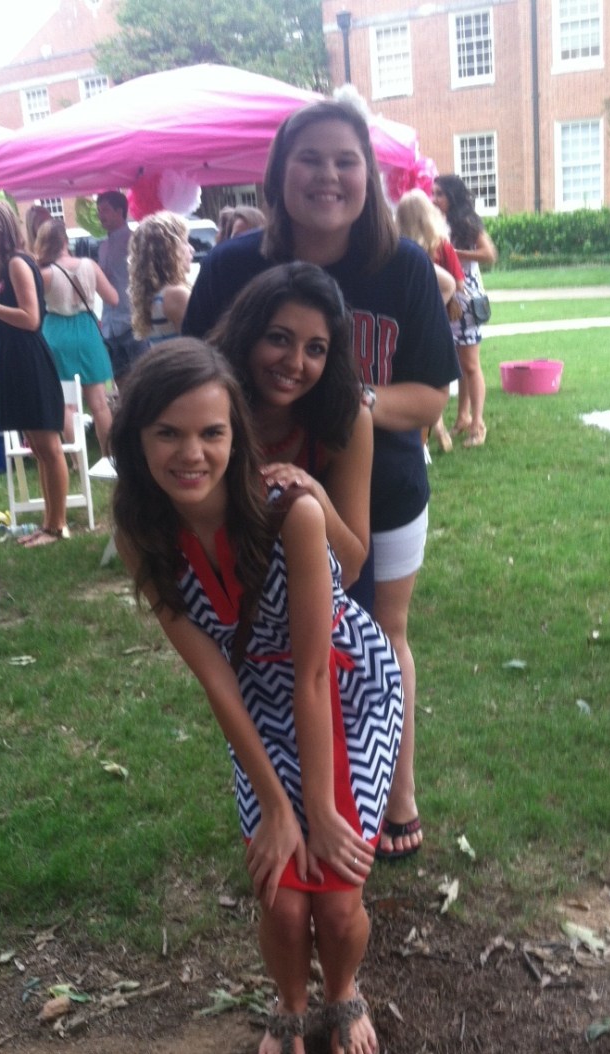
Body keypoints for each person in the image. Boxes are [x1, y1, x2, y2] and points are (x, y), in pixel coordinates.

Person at [111, 338, 403, 1054]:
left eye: (211, 432)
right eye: (167, 433)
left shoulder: (290, 514)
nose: (191, 453)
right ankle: (291, 1004)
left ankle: (344, 991)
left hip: (346, 692)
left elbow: (313, 673)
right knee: (280, 897)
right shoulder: (140, 532)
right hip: (258, 701)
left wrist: (316, 808)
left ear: (237, 435)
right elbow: (216, 678)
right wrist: (276, 807)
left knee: (335, 898)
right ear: (135, 438)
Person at [184, 98, 458, 862]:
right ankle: (294, 796)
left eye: (346, 161)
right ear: (278, 174)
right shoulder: (233, 266)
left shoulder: (403, 267)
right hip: (251, 489)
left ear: (369, 176)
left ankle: (394, 789)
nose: (327, 176)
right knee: (277, 647)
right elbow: (190, 376)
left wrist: (344, 403)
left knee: (379, 634)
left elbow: (430, 396)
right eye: (309, 159)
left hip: (378, 481)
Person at [210, 261, 371, 589]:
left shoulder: (349, 416)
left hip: (315, 594)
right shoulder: (207, 401)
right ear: (247, 334)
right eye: (279, 339)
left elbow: (352, 568)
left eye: (315, 349)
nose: (295, 363)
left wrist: (315, 495)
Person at [0, 199, 69, 548]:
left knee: (49, 446)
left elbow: (31, 318)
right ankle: (49, 522)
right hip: (13, 358)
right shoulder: (4, 265)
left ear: (4, 230)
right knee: (37, 447)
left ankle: (58, 526)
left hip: (29, 358)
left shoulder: (18, 264)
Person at [34, 218, 118, 455]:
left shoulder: (44, 273)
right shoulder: (90, 265)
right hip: (87, 331)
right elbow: (113, 298)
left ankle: (75, 460)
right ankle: (109, 456)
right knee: (99, 404)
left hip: (56, 333)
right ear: (65, 240)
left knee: (66, 405)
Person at [395, 188, 467, 454]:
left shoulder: (398, 250)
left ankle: (428, 435)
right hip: (436, 325)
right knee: (434, 381)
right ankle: (434, 431)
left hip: (403, 324)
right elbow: (457, 283)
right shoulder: (441, 245)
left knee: (411, 381)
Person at [432, 175, 498, 448]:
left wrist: (455, 253)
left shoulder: (467, 222)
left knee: (470, 365)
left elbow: (489, 254)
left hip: (468, 300)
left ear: (452, 196)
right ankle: (462, 417)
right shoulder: (438, 222)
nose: (434, 199)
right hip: (450, 300)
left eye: (440, 194)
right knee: (459, 365)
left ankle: (478, 424)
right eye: (433, 193)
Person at [96, 190, 144, 392]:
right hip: (110, 325)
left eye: (105, 210)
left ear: (120, 211)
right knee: (118, 381)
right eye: (99, 211)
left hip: (133, 322)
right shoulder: (103, 246)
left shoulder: (135, 241)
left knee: (143, 378)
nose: (101, 215)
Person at [127, 213, 192, 347]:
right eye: (185, 242)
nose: (192, 249)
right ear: (170, 250)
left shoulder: (154, 295)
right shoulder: (176, 294)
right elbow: (198, 344)